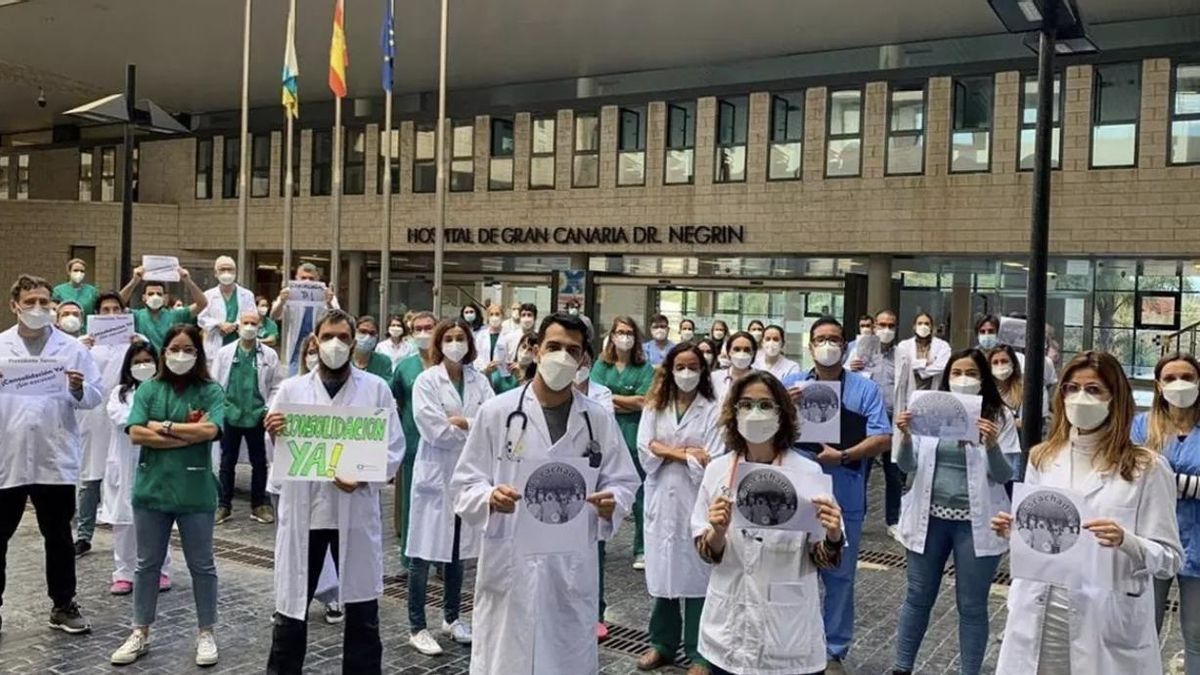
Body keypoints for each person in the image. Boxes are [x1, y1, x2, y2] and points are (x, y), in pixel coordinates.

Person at [450, 312, 640, 674]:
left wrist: (612, 502)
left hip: (569, 566)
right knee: (506, 661)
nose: (562, 357)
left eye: (573, 350)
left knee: (564, 657)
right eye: (553, 347)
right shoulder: (498, 413)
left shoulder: (597, 419)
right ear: (535, 350)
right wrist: (489, 497)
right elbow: (464, 484)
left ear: (585, 359)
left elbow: (624, 481)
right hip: (510, 562)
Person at [991, 351, 1183, 674]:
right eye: (1071, 388)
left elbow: (1170, 558)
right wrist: (1017, 529)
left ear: (1116, 398)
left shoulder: (1147, 468)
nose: (1080, 397)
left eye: (1094, 389)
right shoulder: (1042, 457)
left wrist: (1128, 541)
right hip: (1041, 613)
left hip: (1106, 620)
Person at [265, 309, 405, 674]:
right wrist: (273, 432)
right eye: (328, 337)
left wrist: (363, 476)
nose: (336, 345)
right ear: (314, 341)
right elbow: (276, 455)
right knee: (292, 610)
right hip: (305, 512)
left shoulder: (375, 388)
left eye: (344, 337)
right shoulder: (292, 389)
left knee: (362, 611)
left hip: (353, 510)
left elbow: (393, 447)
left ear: (354, 341)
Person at [692, 371, 845, 675]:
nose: (754, 413)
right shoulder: (717, 471)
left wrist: (832, 534)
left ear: (782, 414)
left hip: (788, 637)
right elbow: (705, 551)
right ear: (733, 413)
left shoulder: (807, 473)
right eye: (746, 405)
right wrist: (717, 534)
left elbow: (824, 559)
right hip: (728, 633)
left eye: (765, 405)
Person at [891, 348, 1015, 675]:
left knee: (972, 605)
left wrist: (990, 444)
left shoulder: (999, 416)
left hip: (977, 523)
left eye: (971, 374)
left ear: (983, 378)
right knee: (917, 596)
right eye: (957, 373)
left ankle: (969, 671)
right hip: (928, 518)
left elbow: (1005, 476)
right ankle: (902, 667)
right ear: (946, 377)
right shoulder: (930, 410)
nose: (963, 380)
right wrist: (904, 437)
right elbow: (907, 466)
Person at [110, 324, 223, 666]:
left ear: (198, 354)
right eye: (174, 348)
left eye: (188, 349)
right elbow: (137, 433)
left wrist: (167, 426)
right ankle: (140, 631)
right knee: (146, 564)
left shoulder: (210, 390)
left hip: (195, 490)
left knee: (202, 565)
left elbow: (212, 429)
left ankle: (206, 632)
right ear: (164, 352)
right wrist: (187, 436)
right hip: (152, 490)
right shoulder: (149, 390)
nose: (180, 355)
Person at [0, 274, 102, 635]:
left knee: (58, 536)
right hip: (7, 459)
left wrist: (78, 388)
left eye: (45, 302)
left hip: (53, 457)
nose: (38, 309)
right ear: (15, 306)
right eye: (30, 302)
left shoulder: (72, 348)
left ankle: (62, 605)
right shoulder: (1, 347)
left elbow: (95, 396)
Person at [791, 317, 891, 669]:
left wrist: (845, 455)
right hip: (798, 492)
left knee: (840, 576)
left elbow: (882, 436)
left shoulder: (865, 389)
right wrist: (782, 408)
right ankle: (795, 644)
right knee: (792, 570)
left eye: (834, 339)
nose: (827, 345)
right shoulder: (791, 385)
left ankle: (834, 650)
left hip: (844, 492)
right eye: (820, 339)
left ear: (845, 346)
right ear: (810, 346)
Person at [407, 319, 494, 655]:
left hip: (468, 475)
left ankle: (452, 617)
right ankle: (417, 626)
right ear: (439, 343)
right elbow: (434, 431)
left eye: (460, 338)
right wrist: (469, 427)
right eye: (449, 338)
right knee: (422, 553)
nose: (455, 343)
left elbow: (492, 421)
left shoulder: (479, 380)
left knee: (458, 551)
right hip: (435, 475)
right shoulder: (426, 381)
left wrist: (463, 422)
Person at [636, 343, 724, 674]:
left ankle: (700, 653)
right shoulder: (656, 405)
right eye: (680, 366)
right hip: (661, 497)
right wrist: (684, 452)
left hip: (696, 498)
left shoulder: (713, 409)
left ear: (703, 371)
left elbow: (711, 459)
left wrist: (666, 450)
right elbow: (646, 449)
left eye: (693, 367)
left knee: (698, 575)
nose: (686, 373)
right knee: (663, 575)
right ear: (670, 369)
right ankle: (662, 643)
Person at [1133, 353, 1200, 671]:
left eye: (1187, 377)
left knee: (1197, 636)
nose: (1179, 384)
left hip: (1198, 543)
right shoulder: (1142, 426)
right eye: (1171, 378)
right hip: (1151, 537)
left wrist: (1165, 480)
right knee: (1143, 629)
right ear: (1158, 385)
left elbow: (1150, 477)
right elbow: (1130, 476)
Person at [98, 342, 174, 595]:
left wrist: (150, 424)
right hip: (125, 463)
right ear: (129, 367)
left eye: (147, 361)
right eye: (137, 362)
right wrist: (153, 423)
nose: (143, 366)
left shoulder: (166, 389)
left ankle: (161, 569)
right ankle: (124, 573)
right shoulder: (119, 392)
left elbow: (170, 421)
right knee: (124, 524)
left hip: (157, 463)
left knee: (159, 518)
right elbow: (122, 419)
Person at [72, 293, 138, 557]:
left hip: (124, 415)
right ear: (96, 314)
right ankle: (84, 534)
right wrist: (82, 348)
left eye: (116, 309)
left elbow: (150, 368)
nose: (111, 314)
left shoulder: (137, 342)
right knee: (90, 475)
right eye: (105, 310)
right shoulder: (82, 344)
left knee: (126, 474)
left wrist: (137, 346)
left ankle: (129, 533)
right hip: (94, 417)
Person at [591, 315, 656, 570]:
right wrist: (625, 399)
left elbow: (644, 401)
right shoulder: (601, 364)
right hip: (604, 433)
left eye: (629, 332)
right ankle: (598, 545)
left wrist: (611, 399)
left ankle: (641, 548)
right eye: (620, 332)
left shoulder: (644, 368)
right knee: (600, 491)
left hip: (633, 433)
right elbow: (595, 399)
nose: (625, 337)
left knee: (640, 496)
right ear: (612, 336)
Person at [211, 309, 281, 526]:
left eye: (254, 323)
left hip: (257, 414)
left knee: (259, 462)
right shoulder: (225, 353)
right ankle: (223, 505)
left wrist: (267, 408)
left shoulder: (269, 355)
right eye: (246, 323)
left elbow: (276, 386)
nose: (249, 327)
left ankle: (259, 505)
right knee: (227, 462)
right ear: (238, 325)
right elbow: (215, 383)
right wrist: (220, 408)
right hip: (230, 413)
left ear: (260, 327)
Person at [849, 309, 904, 536]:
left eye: (891, 325)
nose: (886, 330)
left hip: (893, 417)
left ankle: (893, 521)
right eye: (882, 325)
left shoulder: (902, 355)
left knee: (894, 473)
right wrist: (850, 368)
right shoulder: (859, 350)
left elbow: (907, 386)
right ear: (874, 326)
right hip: (868, 418)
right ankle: (857, 516)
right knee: (864, 469)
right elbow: (845, 377)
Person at [390, 311, 438, 562]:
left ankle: (442, 559)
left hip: (444, 446)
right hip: (412, 442)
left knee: (442, 505)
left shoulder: (448, 366)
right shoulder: (405, 367)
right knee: (411, 502)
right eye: (418, 329)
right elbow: (394, 399)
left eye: (428, 328)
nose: (423, 334)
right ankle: (411, 558)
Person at [270, 262, 339, 376]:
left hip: (320, 346)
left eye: (311, 278)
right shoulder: (289, 293)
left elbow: (336, 318)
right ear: (297, 278)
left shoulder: (326, 294)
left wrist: (329, 302)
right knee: (295, 380)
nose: (307, 281)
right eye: (303, 278)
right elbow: (274, 316)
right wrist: (282, 302)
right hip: (297, 347)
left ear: (317, 279)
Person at [119, 265, 208, 352]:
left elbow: (202, 303)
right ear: (144, 298)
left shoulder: (175, 315)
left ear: (165, 298)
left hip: (168, 361)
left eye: (159, 294)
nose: (155, 296)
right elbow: (117, 304)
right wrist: (134, 281)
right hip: (145, 361)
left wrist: (187, 280)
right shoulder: (137, 316)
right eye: (150, 294)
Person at [989, 343, 1046, 478]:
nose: (1000, 365)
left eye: (1004, 361)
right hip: (992, 449)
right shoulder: (986, 391)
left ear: (1013, 364)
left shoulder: (1027, 389)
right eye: (995, 362)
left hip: (1019, 450)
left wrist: (1006, 423)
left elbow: (1032, 423)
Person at [197, 256, 256, 361]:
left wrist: (234, 325)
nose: (226, 272)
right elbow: (201, 318)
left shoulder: (247, 295)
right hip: (215, 342)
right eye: (222, 269)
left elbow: (252, 316)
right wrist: (219, 324)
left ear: (235, 272)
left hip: (239, 339)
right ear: (216, 273)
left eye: (230, 269)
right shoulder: (208, 295)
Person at [896, 312, 951, 391]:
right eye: (920, 323)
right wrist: (925, 363)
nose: (923, 326)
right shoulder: (904, 345)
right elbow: (903, 365)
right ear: (914, 327)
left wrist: (919, 372)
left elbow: (942, 366)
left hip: (933, 390)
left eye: (926, 324)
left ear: (931, 327)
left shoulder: (943, 345)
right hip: (909, 390)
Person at [476, 303, 517, 394]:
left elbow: (512, 355)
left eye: (497, 314)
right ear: (487, 317)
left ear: (502, 316)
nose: (494, 317)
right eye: (491, 314)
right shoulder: (481, 335)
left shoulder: (510, 335)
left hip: (504, 377)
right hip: (485, 374)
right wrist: (485, 368)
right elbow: (476, 356)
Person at [52, 258, 100, 329]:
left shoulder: (92, 291)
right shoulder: (58, 290)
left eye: (82, 271)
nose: (79, 273)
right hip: (64, 330)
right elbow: (54, 312)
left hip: (86, 330)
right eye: (76, 270)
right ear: (69, 272)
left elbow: (97, 312)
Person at [712, 331, 757, 403]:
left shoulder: (761, 379)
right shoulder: (714, 378)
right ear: (728, 352)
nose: (742, 353)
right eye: (737, 349)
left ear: (753, 353)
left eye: (747, 350)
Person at [348, 315, 394, 382]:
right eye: (363, 331)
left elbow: (386, 387)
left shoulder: (383, 362)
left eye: (372, 333)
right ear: (354, 333)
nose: (367, 337)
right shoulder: (345, 359)